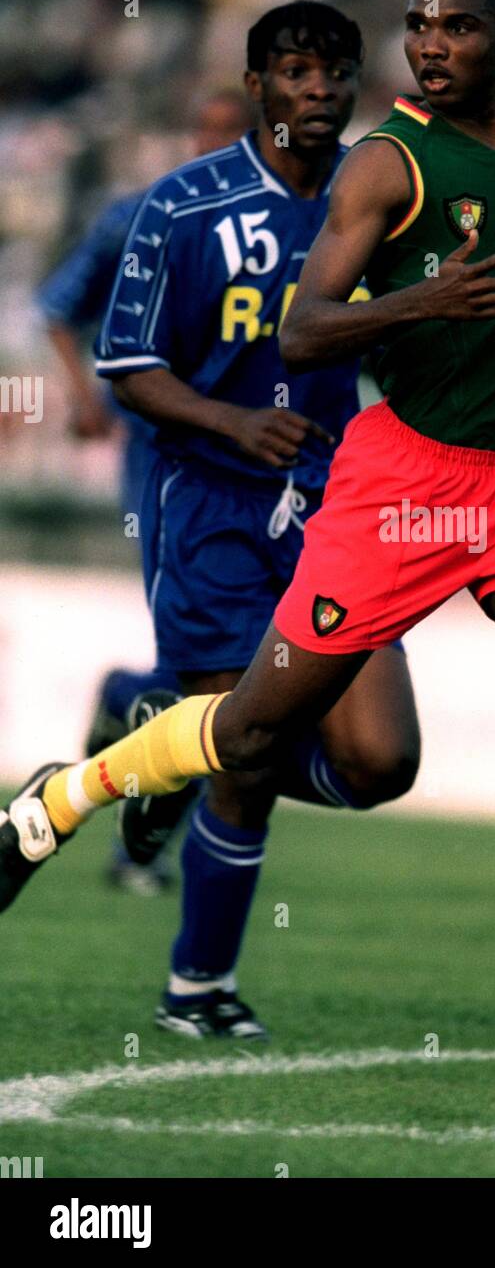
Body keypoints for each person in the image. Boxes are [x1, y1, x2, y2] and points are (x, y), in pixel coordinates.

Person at [3, 0, 495, 1090]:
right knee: (248, 734)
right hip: (401, 489)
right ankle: (65, 800)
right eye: (417, 25)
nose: (429, 44)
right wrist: (425, 301)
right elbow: (304, 330)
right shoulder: (385, 164)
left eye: (456, 27)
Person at [15, 1, 421, 1040]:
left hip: (336, 503)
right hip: (208, 502)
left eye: (336, 73)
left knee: (381, 762)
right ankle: (198, 987)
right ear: (257, 86)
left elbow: (394, 344)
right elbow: (127, 365)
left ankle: (157, 745)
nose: (319, 90)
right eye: (296, 71)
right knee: (247, 756)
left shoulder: (375, 200)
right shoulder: (176, 207)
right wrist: (232, 422)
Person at [37, 88, 253, 894]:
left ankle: (124, 699)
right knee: (204, 664)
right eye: (209, 130)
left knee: (230, 666)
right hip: (166, 465)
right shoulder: (141, 217)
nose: (218, 146)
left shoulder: (291, 225)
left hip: (260, 473)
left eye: (234, 133)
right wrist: (85, 399)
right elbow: (59, 308)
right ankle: (139, 852)